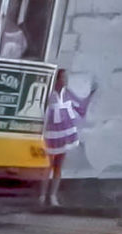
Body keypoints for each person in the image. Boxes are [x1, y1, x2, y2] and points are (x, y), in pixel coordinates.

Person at [39, 69, 93, 209]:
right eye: (63, 78)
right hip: (51, 135)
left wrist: (91, 94)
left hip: (64, 135)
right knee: (47, 166)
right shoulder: (49, 94)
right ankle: (42, 196)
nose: (65, 81)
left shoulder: (67, 94)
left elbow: (80, 106)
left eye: (66, 78)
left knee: (58, 167)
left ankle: (53, 196)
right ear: (57, 80)